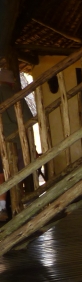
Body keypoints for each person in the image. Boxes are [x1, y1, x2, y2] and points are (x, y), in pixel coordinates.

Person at [0, 66, 33, 222]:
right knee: (16, 175)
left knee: (1, 175)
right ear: (11, 82)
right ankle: (17, 206)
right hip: (15, 142)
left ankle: (2, 207)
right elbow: (28, 119)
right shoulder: (15, 95)